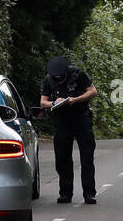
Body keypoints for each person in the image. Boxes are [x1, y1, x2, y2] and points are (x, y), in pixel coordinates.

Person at [39, 56, 99, 203]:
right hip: (62, 121)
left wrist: (75, 100)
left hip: (81, 117)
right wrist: (54, 102)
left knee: (86, 156)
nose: (59, 81)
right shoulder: (48, 79)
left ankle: (89, 193)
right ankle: (65, 193)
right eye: (56, 79)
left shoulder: (78, 74)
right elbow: (42, 102)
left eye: (61, 79)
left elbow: (92, 91)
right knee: (62, 158)